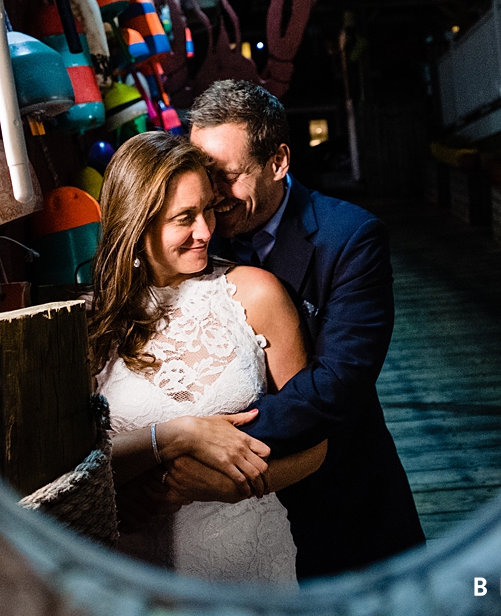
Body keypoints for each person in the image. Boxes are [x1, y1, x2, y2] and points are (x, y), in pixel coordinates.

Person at [172, 79, 425, 579]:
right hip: (216, 523)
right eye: (204, 174)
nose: (213, 196)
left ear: (279, 162)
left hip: (338, 493)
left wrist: (210, 442)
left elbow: (337, 384)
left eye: (228, 176)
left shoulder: (350, 237)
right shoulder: (192, 236)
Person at [89, 131, 327, 583]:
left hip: (250, 566)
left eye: (208, 211)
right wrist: (175, 436)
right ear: (137, 223)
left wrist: (231, 487)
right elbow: (69, 464)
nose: (205, 232)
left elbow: (315, 444)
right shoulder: (91, 322)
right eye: (184, 218)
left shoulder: (256, 294)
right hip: (132, 575)